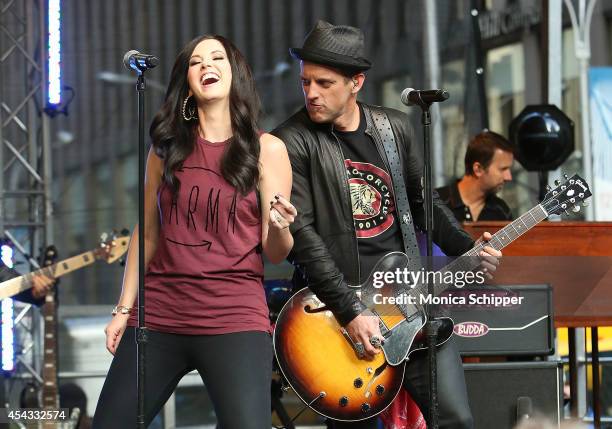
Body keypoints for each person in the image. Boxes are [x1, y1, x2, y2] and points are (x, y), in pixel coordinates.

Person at [271, 20, 501, 429]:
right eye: (306, 82)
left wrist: (467, 249)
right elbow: (301, 235)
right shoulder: (292, 139)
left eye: (324, 83)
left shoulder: (393, 128)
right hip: (338, 315)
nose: (311, 93)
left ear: (356, 82)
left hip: (409, 305)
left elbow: (424, 204)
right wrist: (350, 309)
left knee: (457, 420)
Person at [92, 34, 296, 428]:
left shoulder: (266, 149)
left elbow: (275, 251)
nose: (207, 66)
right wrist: (123, 309)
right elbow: (147, 233)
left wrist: (281, 226)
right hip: (160, 313)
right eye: (196, 62)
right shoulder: (165, 149)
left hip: (233, 317)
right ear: (187, 81)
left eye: (216, 58)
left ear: (234, 74)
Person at [437, 130, 514, 222]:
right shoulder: (435, 203)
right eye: (503, 169)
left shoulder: (501, 211)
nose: (509, 177)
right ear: (478, 169)